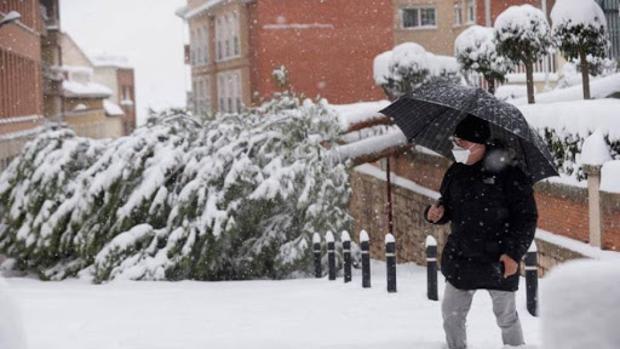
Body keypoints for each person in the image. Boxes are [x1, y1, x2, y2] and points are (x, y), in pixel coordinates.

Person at [424, 115, 538, 349]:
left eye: (462, 144)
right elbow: (447, 204)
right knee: (451, 316)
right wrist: (436, 213)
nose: (456, 148)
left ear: (479, 144)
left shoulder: (510, 173)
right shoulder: (456, 171)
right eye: (455, 142)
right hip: (462, 255)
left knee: (506, 317)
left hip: (499, 257)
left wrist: (513, 253)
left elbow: (526, 218)